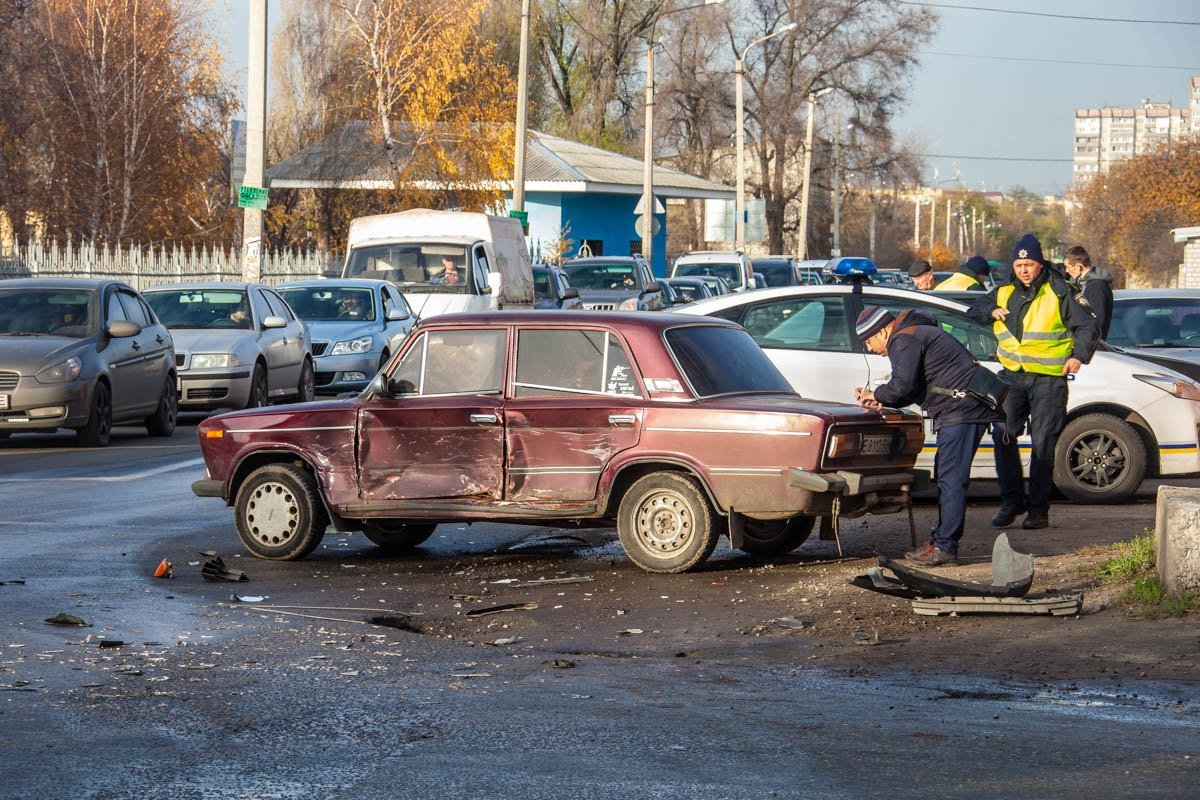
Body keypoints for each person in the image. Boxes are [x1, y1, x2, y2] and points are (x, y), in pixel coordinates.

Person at [967, 233, 1100, 530]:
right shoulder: (1003, 291)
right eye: (1019, 264)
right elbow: (973, 310)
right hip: (1012, 377)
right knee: (1003, 435)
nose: (1023, 270)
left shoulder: (1060, 291)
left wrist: (1079, 356)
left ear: (1040, 264)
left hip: (1048, 380)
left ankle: (1038, 511)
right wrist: (991, 310)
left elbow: (1089, 325)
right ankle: (1011, 502)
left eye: (1029, 264)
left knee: (1042, 444)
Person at [853, 306, 1002, 566]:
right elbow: (911, 387)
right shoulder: (913, 333)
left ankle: (945, 547)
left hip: (960, 410)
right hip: (958, 409)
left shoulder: (903, 339)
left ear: (883, 331)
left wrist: (875, 394)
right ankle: (941, 539)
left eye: (869, 341)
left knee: (951, 479)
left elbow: (902, 386)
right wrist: (881, 398)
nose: (869, 348)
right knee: (946, 475)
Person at [1062, 245, 1113, 340]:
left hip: (1092, 345)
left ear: (1078, 267)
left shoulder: (1095, 287)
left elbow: (1096, 322)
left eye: (1068, 267)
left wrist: (1085, 343)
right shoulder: (1083, 285)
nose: (1066, 271)